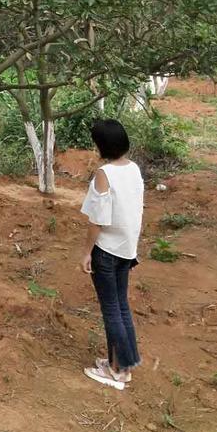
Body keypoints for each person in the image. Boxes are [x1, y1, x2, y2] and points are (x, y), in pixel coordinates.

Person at [79, 118, 143, 390]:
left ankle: (118, 371)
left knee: (111, 310)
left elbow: (98, 220)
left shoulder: (104, 174)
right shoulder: (133, 169)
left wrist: (87, 252)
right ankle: (124, 363)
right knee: (122, 306)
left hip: (106, 250)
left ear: (102, 145)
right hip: (127, 249)